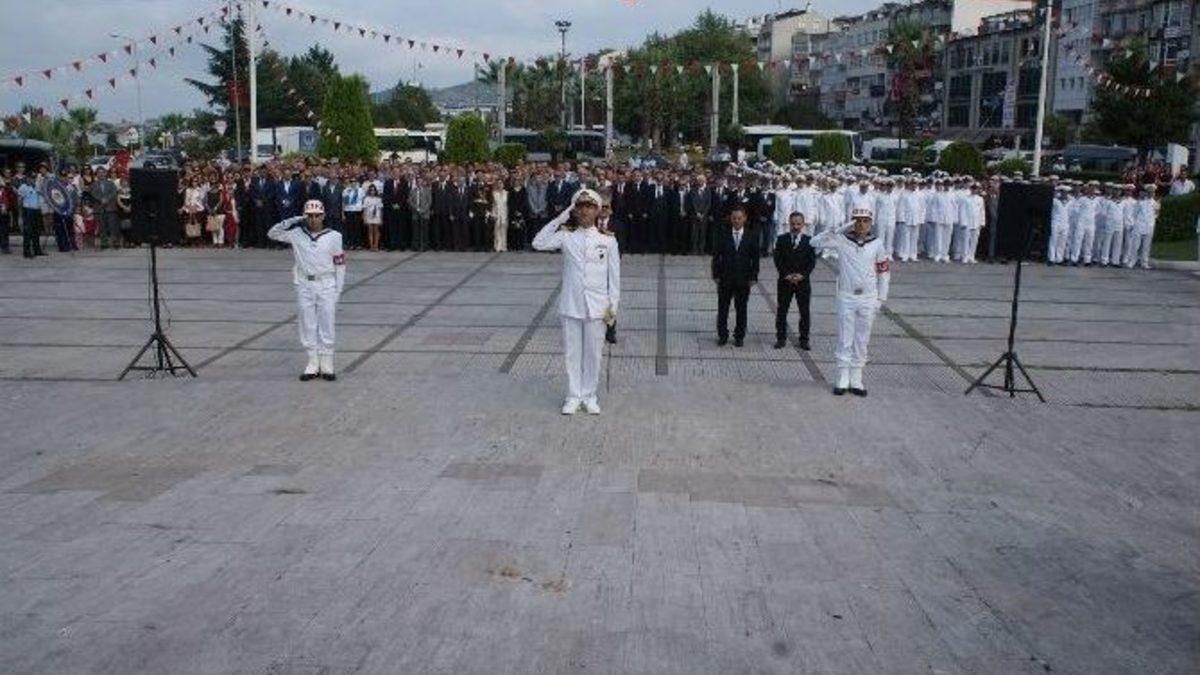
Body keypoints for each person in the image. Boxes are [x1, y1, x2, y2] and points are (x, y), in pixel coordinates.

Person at [532, 188, 621, 415]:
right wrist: (561, 217)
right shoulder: (566, 236)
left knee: (593, 354)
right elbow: (538, 242)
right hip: (571, 305)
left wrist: (612, 308)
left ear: (597, 210)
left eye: (589, 207)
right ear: (575, 210)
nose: (584, 211)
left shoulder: (608, 240)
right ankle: (573, 395)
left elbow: (614, 278)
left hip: (597, 307)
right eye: (580, 207)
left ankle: (589, 396)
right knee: (572, 353)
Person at [811, 207, 891, 397]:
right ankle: (842, 377)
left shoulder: (877, 243)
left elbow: (884, 271)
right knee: (845, 337)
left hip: (868, 297)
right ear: (852, 222)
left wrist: (881, 298)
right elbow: (815, 242)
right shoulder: (841, 240)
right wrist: (840, 228)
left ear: (870, 223)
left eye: (865, 221)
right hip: (846, 296)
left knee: (862, 339)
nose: (861, 224)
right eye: (857, 220)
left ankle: (856, 378)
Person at [267, 199, 346, 381]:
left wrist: (338, 289)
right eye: (309, 215)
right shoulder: (296, 234)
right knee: (307, 322)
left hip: (326, 283)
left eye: (317, 215)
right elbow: (272, 233)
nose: (313, 219)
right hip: (304, 284)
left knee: (327, 322)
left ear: (323, 216)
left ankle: (327, 362)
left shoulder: (334, 236)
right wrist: (294, 219)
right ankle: (312, 361)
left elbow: (340, 264)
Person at [711, 204, 760, 347]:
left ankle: (739, 336)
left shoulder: (752, 235)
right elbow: (716, 256)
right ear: (730, 219)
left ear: (744, 218)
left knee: (741, 309)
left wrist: (753, 276)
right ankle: (722, 335)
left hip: (743, 279)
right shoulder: (722, 234)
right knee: (723, 309)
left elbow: (755, 258)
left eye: (739, 218)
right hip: (725, 278)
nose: (737, 221)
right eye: (734, 218)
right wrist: (716, 274)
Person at [773, 211, 816, 350]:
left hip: (802, 283)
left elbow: (811, 262)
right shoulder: (781, 239)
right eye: (793, 224)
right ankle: (781, 338)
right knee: (782, 311)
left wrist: (802, 275)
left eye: (798, 224)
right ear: (789, 224)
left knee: (804, 312)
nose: (795, 227)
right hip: (785, 282)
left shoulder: (809, 241)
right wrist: (786, 275)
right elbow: (778, 259)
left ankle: (804, 339)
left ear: (803, 224)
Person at [362, 183, 384, 252]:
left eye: (374, 190)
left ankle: (376, 245)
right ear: (369, 191)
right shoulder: (366, 199)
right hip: (369, 216)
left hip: (377, 216)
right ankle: (371, 246)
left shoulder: (378, 199)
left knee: (376, 231)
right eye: (371, 190)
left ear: (375, 191)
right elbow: (364, 209)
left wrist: (381, 219)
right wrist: (364, 218)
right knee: (370, 231)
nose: (372, 192)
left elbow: (381, 209)